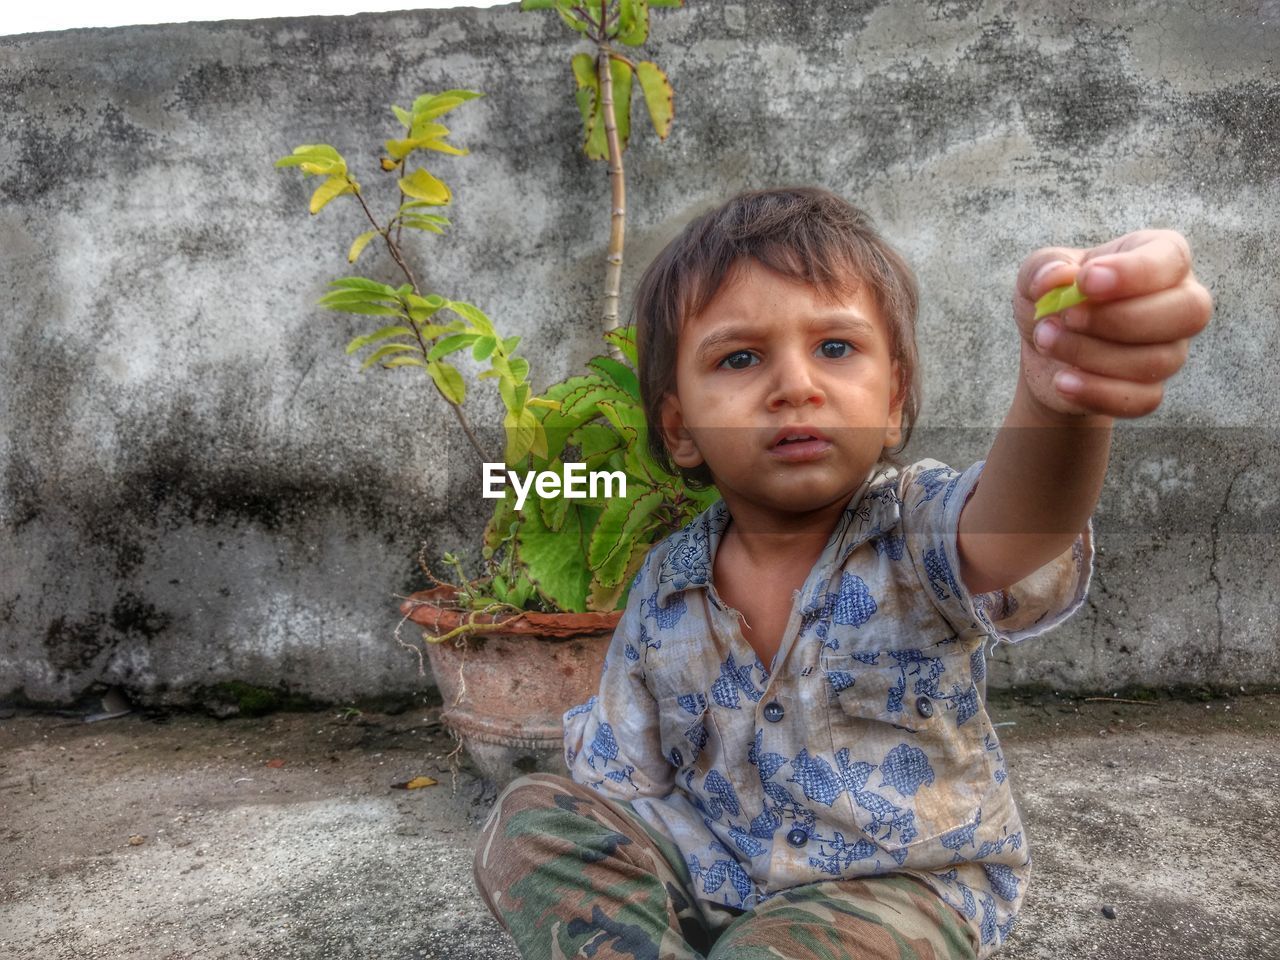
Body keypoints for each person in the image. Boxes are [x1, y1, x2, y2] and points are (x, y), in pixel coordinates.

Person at [472, 187, 1211, 959]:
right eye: (740, 357)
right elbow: (625, 778)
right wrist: (605, 854)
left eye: (834, 347)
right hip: (717, 873)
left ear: (892, 402)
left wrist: (1060, 400)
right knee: (528, 815)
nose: (795, 384)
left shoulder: (917, 533)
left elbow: (1024, 521)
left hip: (897, 894)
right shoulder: (666, 585)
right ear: (680, 427)